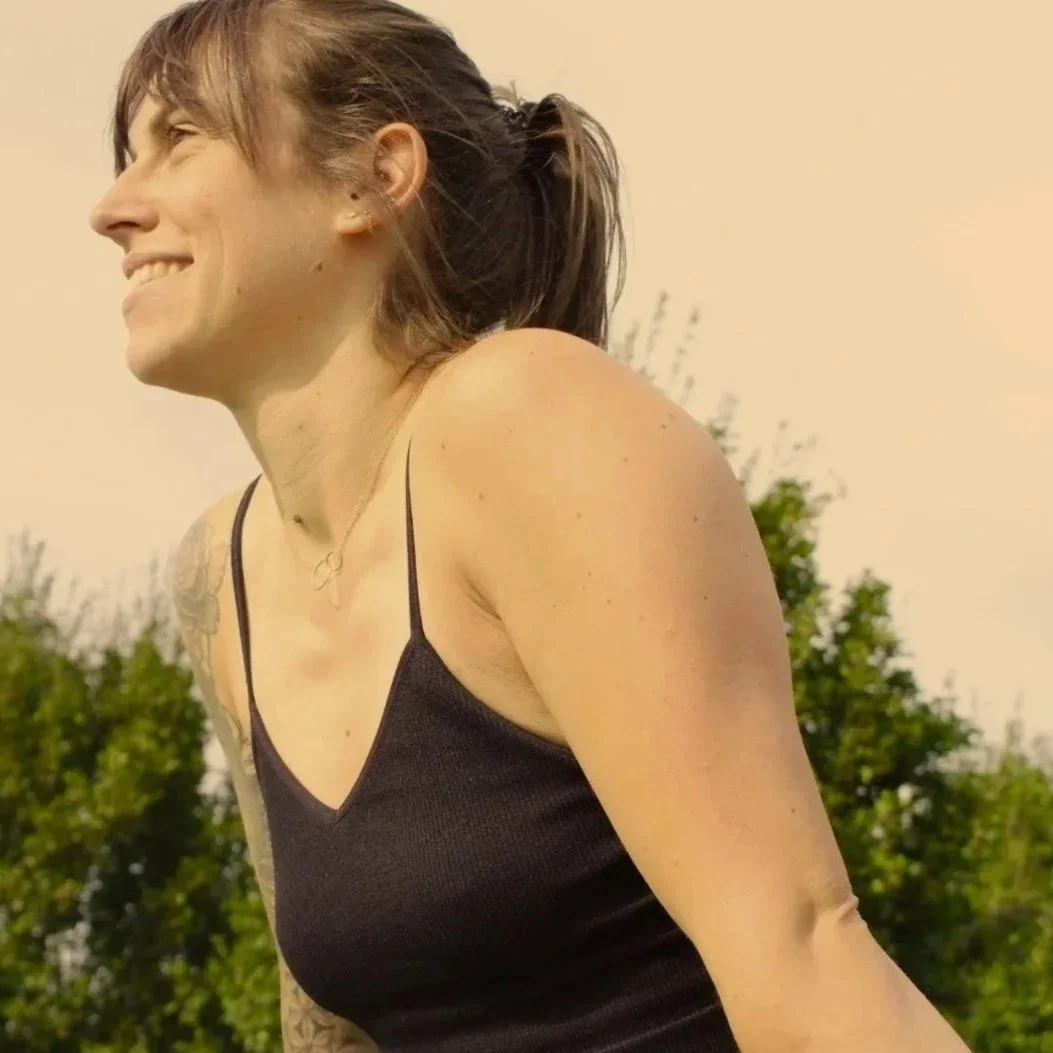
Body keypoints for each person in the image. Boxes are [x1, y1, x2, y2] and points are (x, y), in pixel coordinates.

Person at [89, 2, 976, 1051]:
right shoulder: (222, 576)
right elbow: (327, 1027)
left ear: (374, 177)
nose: (113, 208)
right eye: (127, 155)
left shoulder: (524, 417)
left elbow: (805, 954)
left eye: (181, 138)